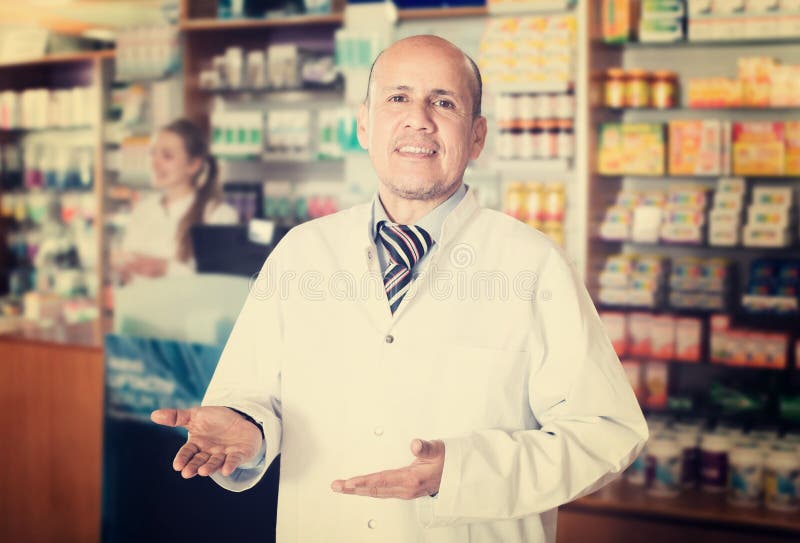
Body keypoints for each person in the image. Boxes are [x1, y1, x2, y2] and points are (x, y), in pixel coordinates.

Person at [151, 35, 648, 542]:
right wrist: (248, 429)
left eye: (444, 102)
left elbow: (607, 432)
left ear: (477, 136)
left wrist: (461, 473)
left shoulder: (534, 264)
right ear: (364, 124)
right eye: (398, 98)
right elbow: (252, 396)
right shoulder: (301, 253)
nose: (420, 119)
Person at [115, 118, 238, 283]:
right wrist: (122, 270)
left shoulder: (218, 216)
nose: (155, 163)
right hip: (142, 307)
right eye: (153, 153)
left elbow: (221, 282)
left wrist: (165, 269)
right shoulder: (143, 210)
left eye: (167, 156)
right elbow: (129, 276)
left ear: (193, 165)